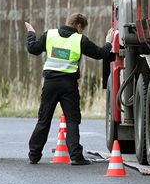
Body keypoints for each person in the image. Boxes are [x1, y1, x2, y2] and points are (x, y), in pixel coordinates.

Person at [25, 13, 114, 165]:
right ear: (79, 26)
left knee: (43, 119)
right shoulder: (80, 39)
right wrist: (108, 42)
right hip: (68, 85)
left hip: (50, 84)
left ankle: (34, 155)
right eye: (82, 29)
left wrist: (31, 33)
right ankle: (76, 157)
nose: (82, 32)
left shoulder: (50, 35)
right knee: (72, 120)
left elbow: (33, 49)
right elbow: (100, 54)